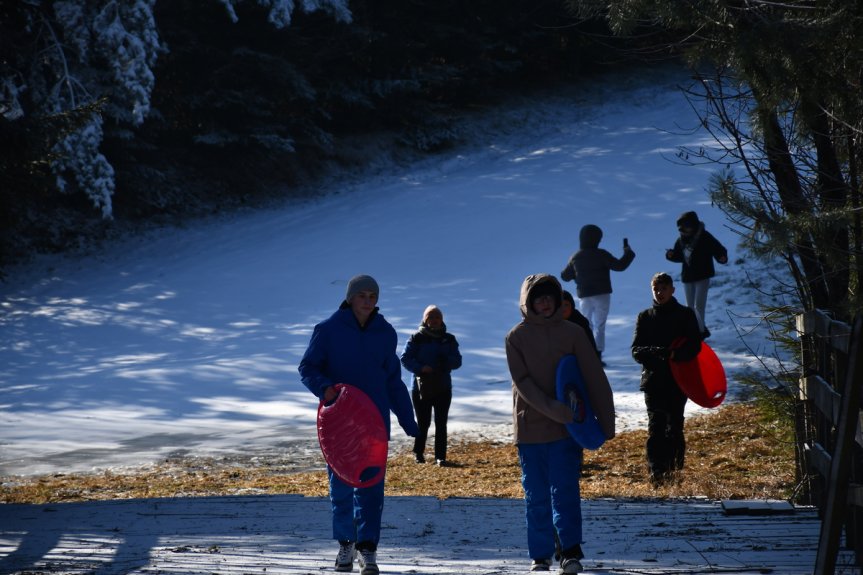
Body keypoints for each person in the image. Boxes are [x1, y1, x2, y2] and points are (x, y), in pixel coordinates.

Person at [299, 274, 419, 575]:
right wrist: (324, 388)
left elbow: (393, 382)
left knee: (371, 489)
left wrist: (408, 420)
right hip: (339, 426)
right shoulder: (327, 330)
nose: (367, 301)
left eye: (372, 295)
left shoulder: (385, 333)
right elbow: (307, 367)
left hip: (374, 425)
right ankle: (345, 544)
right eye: (362, 295)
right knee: (340, 487)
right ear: (350, 298)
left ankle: (368, 549)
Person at [505, 274, 615, 574]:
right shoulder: (516, 337)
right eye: (537, 298)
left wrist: (606, 421)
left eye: (549, 297)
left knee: (565, 490)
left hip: (567, 429)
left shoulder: (573, 333)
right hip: (531, 428)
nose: (544, 303)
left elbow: (592, 376)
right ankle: (540, 554)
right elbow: (523, 383)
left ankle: (570, 550)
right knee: (536, 494)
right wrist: (554, 408)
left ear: (557, 299)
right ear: (528, 302)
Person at [631, 272, 702, 486]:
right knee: (656, 427)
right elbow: (636, 350)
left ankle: (674, 471)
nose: (660, 293)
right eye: (656, 289)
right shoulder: (645, 317)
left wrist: (673, 355)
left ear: (672, 289)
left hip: (678, 381)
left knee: (675, 426)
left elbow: (695, 346)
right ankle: (656, 474)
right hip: (653, 382)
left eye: (663, 289)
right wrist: (655, 353)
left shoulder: (685, 315)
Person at [560, 224, 635, 365]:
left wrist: (576, 275)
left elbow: (565, 276)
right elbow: (620, 266)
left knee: (585, 324)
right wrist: (628, 252)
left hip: (585, 296)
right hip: (602, 294)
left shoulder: (576, 257)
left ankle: (585, 353)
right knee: (600, 325)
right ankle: (598, 355)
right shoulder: (602, 254)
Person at [400, 305, 463, 466]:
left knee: (441, 422)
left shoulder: (449, 339)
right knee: (423, 422)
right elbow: (405, 359)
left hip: (443, 386)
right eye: (431, 318)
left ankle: (440, 457)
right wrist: (421, 368)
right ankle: (418, 453)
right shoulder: (416, 338)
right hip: (421, 387)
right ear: (425, 320)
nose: (434, 321)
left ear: (442, 320)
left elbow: (457, 361)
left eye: (437, 318)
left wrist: (446, 361)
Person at [665, 211, 728, 338]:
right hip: (687, 277)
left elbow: (718, 249)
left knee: (699, 305)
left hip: (703, 276)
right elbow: (679, 256)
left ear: (693, 225)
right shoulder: (681, 240)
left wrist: (722, 257)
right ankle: (696, 329)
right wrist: (670, 255)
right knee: (690, 307)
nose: (683, 230)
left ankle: (699, 332)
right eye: (681, 228)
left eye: (686, 227)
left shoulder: (705, 237)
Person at [561, 290, 599, 358]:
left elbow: (590, 347)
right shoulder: (552, 323)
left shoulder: (580, 323)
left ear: (572, 306)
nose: (563, 308)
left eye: (566, 305)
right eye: (560, 305)